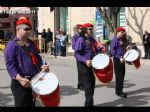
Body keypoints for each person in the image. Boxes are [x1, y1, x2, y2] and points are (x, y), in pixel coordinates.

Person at [4, 16, 49, 107]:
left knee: (32, 104)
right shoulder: (11, 45)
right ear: (18, 29)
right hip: (21, 82)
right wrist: (19, 78)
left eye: (30, 29)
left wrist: (42, 66)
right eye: (26, 29)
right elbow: (10, 65)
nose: (29, 31)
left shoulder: (31, 43)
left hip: (34, 80)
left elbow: (37, 58)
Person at [74, 23, 101, 107]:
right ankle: (89, 104)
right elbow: (76, 54)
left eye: (92, 29)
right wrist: (85, 61)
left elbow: (95, 50)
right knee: (88, 87)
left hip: (92, 65)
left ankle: (88, 103)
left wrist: (101, 47)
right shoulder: (80, 40)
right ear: (85, 30)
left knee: (92, 85)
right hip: (85, 65)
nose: (91, 30)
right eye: (89, 29)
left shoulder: (92, 39)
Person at [110, 27, 127, 98]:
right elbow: (112, 51)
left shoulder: (120, 40)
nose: (123, 34)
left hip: (122, 59)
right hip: (117, 60)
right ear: (118, 32)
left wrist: (126, 48)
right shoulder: (114, 40)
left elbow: (122, 49)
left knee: (122, 75)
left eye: (123, 33)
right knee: (119, 76)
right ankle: (119, 92)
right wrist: (119, 57)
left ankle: (120, 90)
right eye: (122, 32)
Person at [72, 24, 85, 91]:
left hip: (84, 55)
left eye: (82, 28)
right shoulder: (75, 36)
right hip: (79, 55)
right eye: (80, 28)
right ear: (77, 29)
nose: (81, 30)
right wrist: (78, 48)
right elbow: (73, 46)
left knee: (84, 71)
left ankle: (83, 84)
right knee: (80, 71)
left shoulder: (83, 36)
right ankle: (80, 85)